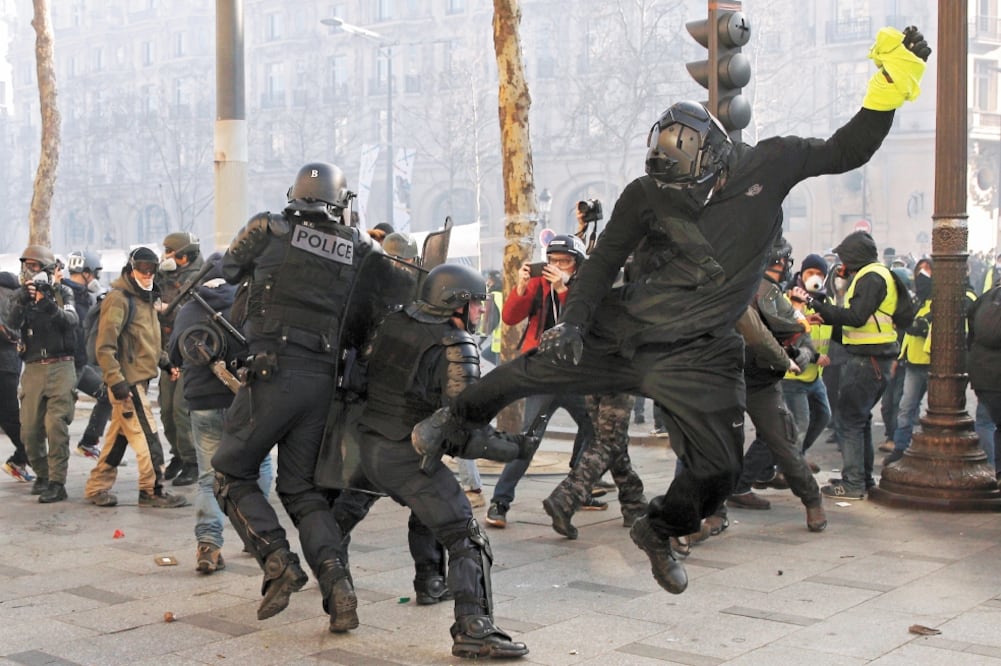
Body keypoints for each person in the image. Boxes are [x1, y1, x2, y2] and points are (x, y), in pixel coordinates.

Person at [414, 26, 930, 595]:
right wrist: (576, 323)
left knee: (719, 471)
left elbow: (846, 149)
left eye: (697, 185)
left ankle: (660, 529)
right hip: (628, 330)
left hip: (702, 352)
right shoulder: (646, 192)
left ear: (717, 156)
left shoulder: (774, 163)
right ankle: (452, 423)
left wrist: (889, 87)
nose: (686, 196)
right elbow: (605, 258)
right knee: (527, 369)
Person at [210, 162, 378, 626]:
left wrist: (258, 235)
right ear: (339, 201)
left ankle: (278, 562)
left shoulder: (272, 228)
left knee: (229, 470)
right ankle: (339, 587)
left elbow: (228, 268)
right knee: (302, 490)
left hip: (272, 375)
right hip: (322, 383)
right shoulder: (358, 248)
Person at [354, 263, 529, 659]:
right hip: (407, 453)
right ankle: (474, 628)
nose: (482, 312)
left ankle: (342, 579)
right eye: (477, 304)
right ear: (456, 303)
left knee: (358, 511)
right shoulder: (456, 343)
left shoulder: (393, 323)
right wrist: (515, 449)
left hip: (370, 444)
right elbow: (462, 429)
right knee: (466, 536)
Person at [167, 253, 274, 573]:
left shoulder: (189, 309)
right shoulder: (247, 304)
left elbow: (174, 353)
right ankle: (256, 533)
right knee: (259, 466)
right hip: (245, 400)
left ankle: (209, 545)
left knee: (208, 477)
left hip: (202, 402)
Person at [484, 234, 599, 529]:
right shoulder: (538, 283)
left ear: (578, 263)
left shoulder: (584, 286)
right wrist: (521, 287)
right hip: (543, 372)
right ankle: (500, 502)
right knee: (529, 438)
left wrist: (563, 288)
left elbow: (580, 318)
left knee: (595, 428)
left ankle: (579, 485)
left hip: (577, 374)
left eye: (566, 262)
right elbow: (509, 318)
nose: (558, 266)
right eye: (553, 261)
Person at [794, 231, 909, 499]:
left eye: (845, 258)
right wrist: (829, 316)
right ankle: (863, 478)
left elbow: (856, 318)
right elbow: (853, 327)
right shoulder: (876, 274)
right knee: (860, 419)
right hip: (873, 357)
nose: (841, 265)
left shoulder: (871, 276)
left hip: (868, 361)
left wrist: (812, 302)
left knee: (849, 420)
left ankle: (854, 482)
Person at [725, 236, 827, 533]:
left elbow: (802, 339)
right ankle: (714, 509)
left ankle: (812, 499)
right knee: (715, 448)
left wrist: (795, 354)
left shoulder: (776, 297)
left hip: (761, 383)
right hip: (730, 377)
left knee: (784, 445)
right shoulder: (741, 291)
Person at [83, 248, 188, 509]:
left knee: (118, 439)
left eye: (151, 269)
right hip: (128, 383)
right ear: (131, 269)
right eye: (143, 269)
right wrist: (117, 382)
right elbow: (105, 346)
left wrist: (166, 363)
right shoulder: (119, 299)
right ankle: (152, 490)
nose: (147, 274)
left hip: (137, 379)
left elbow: (148, 342)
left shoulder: (145, 298)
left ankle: (97, 487)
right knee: (148, 437)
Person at [7, 245, 79, 503]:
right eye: (28, 266)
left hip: (61, 367)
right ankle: (43, 474)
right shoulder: (22, 296)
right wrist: (22, 302)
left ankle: (58, 482)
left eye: (35, 266)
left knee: (55, 425)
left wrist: (47, 302)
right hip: (34, 369)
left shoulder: (63, 293)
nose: (30, 271)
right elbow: (12, 325)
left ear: (48, 269)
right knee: (29, 430)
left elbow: (70, 321)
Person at [157, 231, 204, 486]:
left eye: (172, 252)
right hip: (167, 354)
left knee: (180, 410)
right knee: (165, 411)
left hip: (188, 353)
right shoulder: (162, 276)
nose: (167, 257)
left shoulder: (200, 277)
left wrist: (167, 308)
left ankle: (192, 461)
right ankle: (178, 454)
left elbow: (192, 311)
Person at [782, 254, 833, 466]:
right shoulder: (788, 300)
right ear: (801, 274)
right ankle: (790, 467)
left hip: (814, 376)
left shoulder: (825, 302)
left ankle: (798, 457)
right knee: (800, 424)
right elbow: (787, 338)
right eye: (810, 272)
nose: (815, 277)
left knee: (823, 416)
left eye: (820, 274)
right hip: (793, 375)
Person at [883, 259, 933, 465]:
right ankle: (900, 447)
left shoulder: (937, 303)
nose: (922, 276)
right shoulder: (915, 302)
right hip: (912, 362)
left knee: (934, 413)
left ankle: (927, 449)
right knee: (905, 407)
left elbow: (916, 327)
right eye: (920, 271)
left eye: (927, 271)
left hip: (932, 365)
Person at [65, 250, 110, 460]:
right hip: (70, 364)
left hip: (80, 363)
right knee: (59, 415)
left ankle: (89, 442)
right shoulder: (71, 296)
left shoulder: (85, 297)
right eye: (95, 274)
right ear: (86, 273)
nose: (96, 279)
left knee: (107, 394)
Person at [0, 271, 33, 482]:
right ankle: (26, 455)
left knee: (9, 416)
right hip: (7, 365)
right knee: (11, 416)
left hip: (7, 364)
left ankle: (23, 456)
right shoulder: (15, 298)